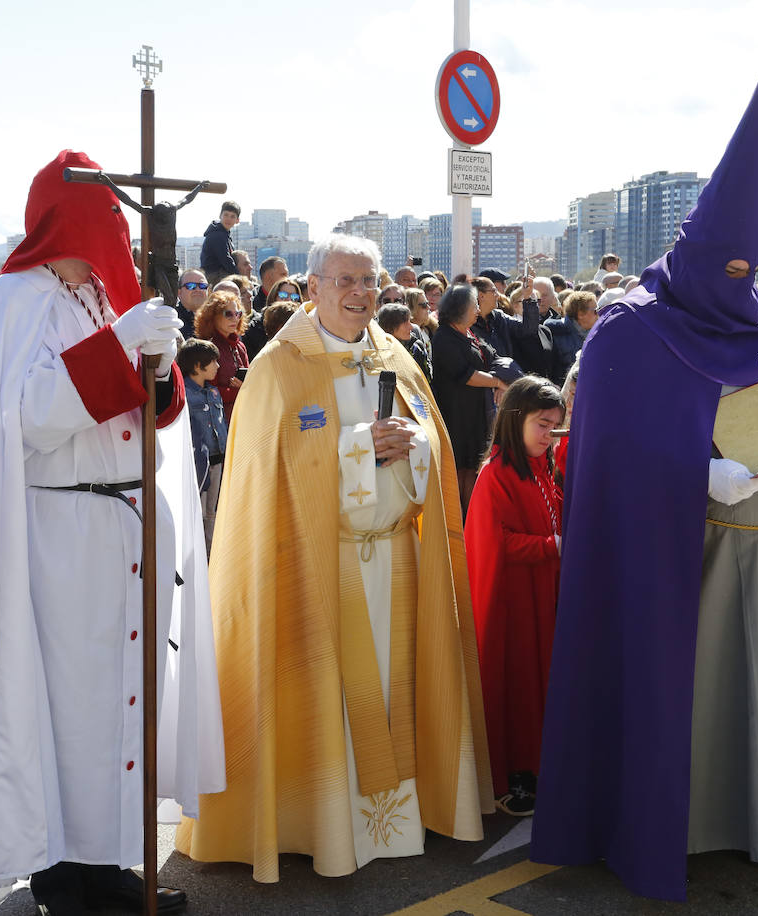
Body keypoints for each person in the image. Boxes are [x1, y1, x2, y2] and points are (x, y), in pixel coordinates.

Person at [531, 19, 758, 901]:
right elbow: (602, 466)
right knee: (697, 701)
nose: (736, 285)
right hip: (691, 569)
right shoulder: (627, 329)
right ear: (686, 251)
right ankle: (672, 827)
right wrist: (694, 476)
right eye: (721, 268)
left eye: (746, 268)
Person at [0, 150, 224, 915]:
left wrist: (152, 366)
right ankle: (64, 864)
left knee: (123, 696)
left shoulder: (100, 297)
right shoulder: (12, 301)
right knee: (70, 703)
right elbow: (24, 420)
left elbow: (146, 409)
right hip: (59, 531)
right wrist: (120, 347)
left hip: (125, 525)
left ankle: (111, 856)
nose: (117, 237)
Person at [175, 233, 493, 882]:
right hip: (315, 568)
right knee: (323, 696)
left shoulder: (396, 355)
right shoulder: (278, 365)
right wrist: (356, 449)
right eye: (345, 280)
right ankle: (322, 824)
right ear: (313, 286)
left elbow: (431, 437)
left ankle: (396, 822)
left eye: (369, 282)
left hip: (395, 561)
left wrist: (417, 444)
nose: (359, 293)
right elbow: (267, 473)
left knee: (393, 681)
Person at [465, 375, 564, 818]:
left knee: (543, 680)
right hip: (515, 600)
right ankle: (517, 774)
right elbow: (494, 542)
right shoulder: (495, 474)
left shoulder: (543, 465)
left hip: (544, 589)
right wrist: (552, 546)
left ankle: (543, 762)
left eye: (556, 427)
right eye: (543, 425)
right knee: (521, 682)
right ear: (515, 419)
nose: (549, 436)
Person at [432, 283, 506, 512]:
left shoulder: (469, 332)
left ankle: (471, 519)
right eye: (474, 305)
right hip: (457, 413)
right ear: (460, 309)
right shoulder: (444, 337)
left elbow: (493, 357)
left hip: (476, 412)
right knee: (460, 469)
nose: (477, 309)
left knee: (472, 467)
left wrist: (502, 376)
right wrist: (498, 382)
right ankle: (460, 523)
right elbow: (466, 375)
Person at [179, 338, 228, 552]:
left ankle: (212, 555)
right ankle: (197, 556)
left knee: (213, 511)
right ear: (198, 366)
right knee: (196, 510)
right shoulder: (185, 394)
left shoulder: (213, 392)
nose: (218, 366)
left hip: (218, 460)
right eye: (213, 362)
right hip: (198, 463)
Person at [195, 289, 249, 423]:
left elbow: (249, 384)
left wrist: (245, 387)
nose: (235, 318)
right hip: (218, 421)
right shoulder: (208, 348)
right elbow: (208, 392)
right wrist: (241, 391)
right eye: (228, 314)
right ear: (213, 316)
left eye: (238, 314)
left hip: (242, 417)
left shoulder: (240, 346)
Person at [544, 290, 597, 386]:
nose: (599, 314)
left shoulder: (596, 334)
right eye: (595, 310)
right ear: (581, 314)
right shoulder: (556, 332)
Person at [378, 300, 431, 380]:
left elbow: (427, 380)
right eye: (405, 323)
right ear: (390, 327)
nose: (411, 327)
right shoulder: (378, 353)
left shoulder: (416, 348)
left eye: (409, 321)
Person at [201, 200, 241, 286]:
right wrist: (239, 276)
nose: (228, 219)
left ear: (237, 220)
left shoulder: (224, 235)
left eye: (232, 216)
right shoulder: (217, 235)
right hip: (214, 275)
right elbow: (226, 259)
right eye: (226, 215)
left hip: (217, 273)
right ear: (220, 216)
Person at [174, 267, 207, 339]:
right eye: (191, 286)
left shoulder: (216, 318)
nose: (198, 289)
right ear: (179, 293)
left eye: (202, 286)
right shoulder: (172, 319)